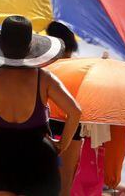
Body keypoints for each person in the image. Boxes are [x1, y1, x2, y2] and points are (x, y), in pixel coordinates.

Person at [0, 15, 82, 196]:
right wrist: (61, 145)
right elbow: (75, 112)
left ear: (0, 45)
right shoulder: (43, 78)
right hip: (38, 156)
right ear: (30, 47)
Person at [46, 21, 83, 196]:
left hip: (47, 122)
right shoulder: (79, 68)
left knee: (44, 179)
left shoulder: (44, 67)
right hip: (73, 125)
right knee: (66, 181)